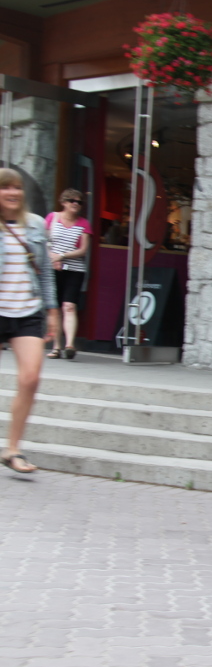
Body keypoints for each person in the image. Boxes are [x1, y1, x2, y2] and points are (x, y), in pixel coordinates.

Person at [0, 168, 60, 474]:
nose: (12, 193)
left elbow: (46, 272)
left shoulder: (36, 225)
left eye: (17, 188)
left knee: (31, 378)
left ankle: (12, 449)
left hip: (28, 311)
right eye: (5, 188)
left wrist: (52, 311)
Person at [44, 188, 92, 360]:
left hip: (75, 269)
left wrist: (62, 256)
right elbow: (44, 241)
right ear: (63, 202)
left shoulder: (83, 223)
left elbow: (83, 250)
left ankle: (69, 344)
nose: (76, 204)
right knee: (55, 309)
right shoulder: (52, 218)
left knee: (69, 306)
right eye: (72, 201)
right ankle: (56, 347)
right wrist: (52, 258)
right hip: (52, 268)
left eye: (79, 202)